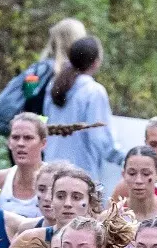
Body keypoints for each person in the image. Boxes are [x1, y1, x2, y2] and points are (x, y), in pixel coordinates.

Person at [43, 35, 120, 192]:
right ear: (96, 62)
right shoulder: (94, 91)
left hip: (51, 169)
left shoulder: (53, 85)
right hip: (80, 174)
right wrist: (126, 158)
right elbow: (100, 138)